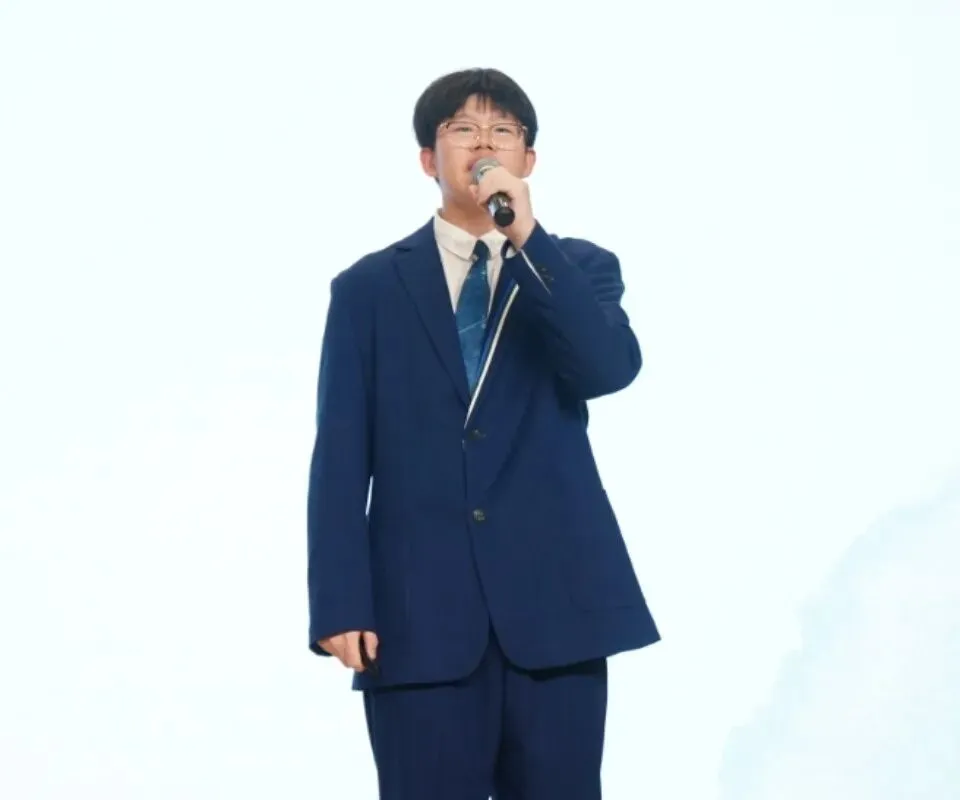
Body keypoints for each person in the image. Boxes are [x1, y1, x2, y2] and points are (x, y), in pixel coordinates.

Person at [306, 67, 660, 799]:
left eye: (503, 131)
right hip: (417, 619)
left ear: (528, 160)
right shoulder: (367, 289)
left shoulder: (579, 269)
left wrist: (525, 237)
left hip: (556, 610)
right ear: (427, 159)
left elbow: (606, 368)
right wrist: (340, 603)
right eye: (462, 129)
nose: (484, 144)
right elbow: (339, 456)